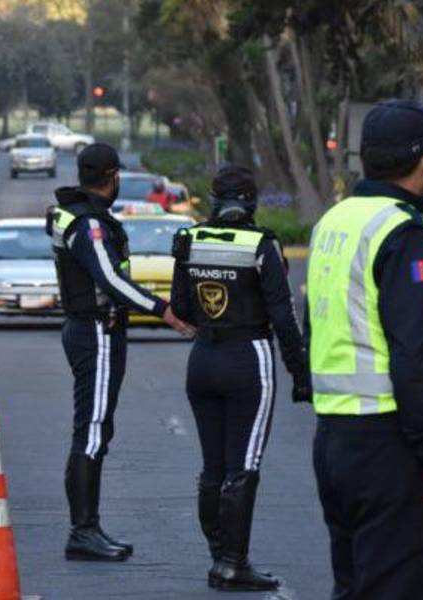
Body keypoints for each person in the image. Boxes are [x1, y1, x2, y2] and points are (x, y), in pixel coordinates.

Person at [305, 99, 423, 598]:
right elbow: (417, 359)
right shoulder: (404, 235)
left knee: (354, 587)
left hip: (335, 439)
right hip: (390, 444)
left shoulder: (334, 223)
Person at [46, 143, 195, 561]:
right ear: (113, 177)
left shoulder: (76, 215)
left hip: (90, 328)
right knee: (92, 429)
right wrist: (162, 309)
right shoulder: (88, 224)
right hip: (96, 329)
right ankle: (83, 531)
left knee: (95, 428)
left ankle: (87, 528)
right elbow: (111, 279)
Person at [170, 165, 310, 591]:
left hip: (203, 359)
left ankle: (218, 558)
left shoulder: (189, 241)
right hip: (248, 358)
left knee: (213, 468)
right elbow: (283, 317)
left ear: (212, 200)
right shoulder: (262, 245)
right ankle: (234, 563)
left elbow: (182, 306)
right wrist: (300, 374)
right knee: (243, 466)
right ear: (250, 202)